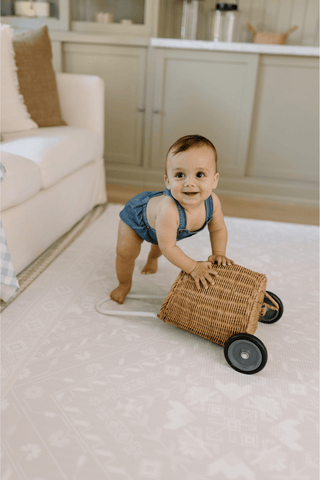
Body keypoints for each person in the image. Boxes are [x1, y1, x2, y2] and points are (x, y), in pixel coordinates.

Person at [110, 134, 234, 304]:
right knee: (125, 253)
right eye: (180, 175)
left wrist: (219, 253)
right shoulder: (169, 210)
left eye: (199, 174)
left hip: (161, 228)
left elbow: (218, 229)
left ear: (214, 180)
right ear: (167, 181)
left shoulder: (213, 202)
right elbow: (168, 247)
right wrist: (194, 267)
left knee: (162, 240)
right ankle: (123, 285)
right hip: (137, 219)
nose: (189, 183)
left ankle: (152, 259)